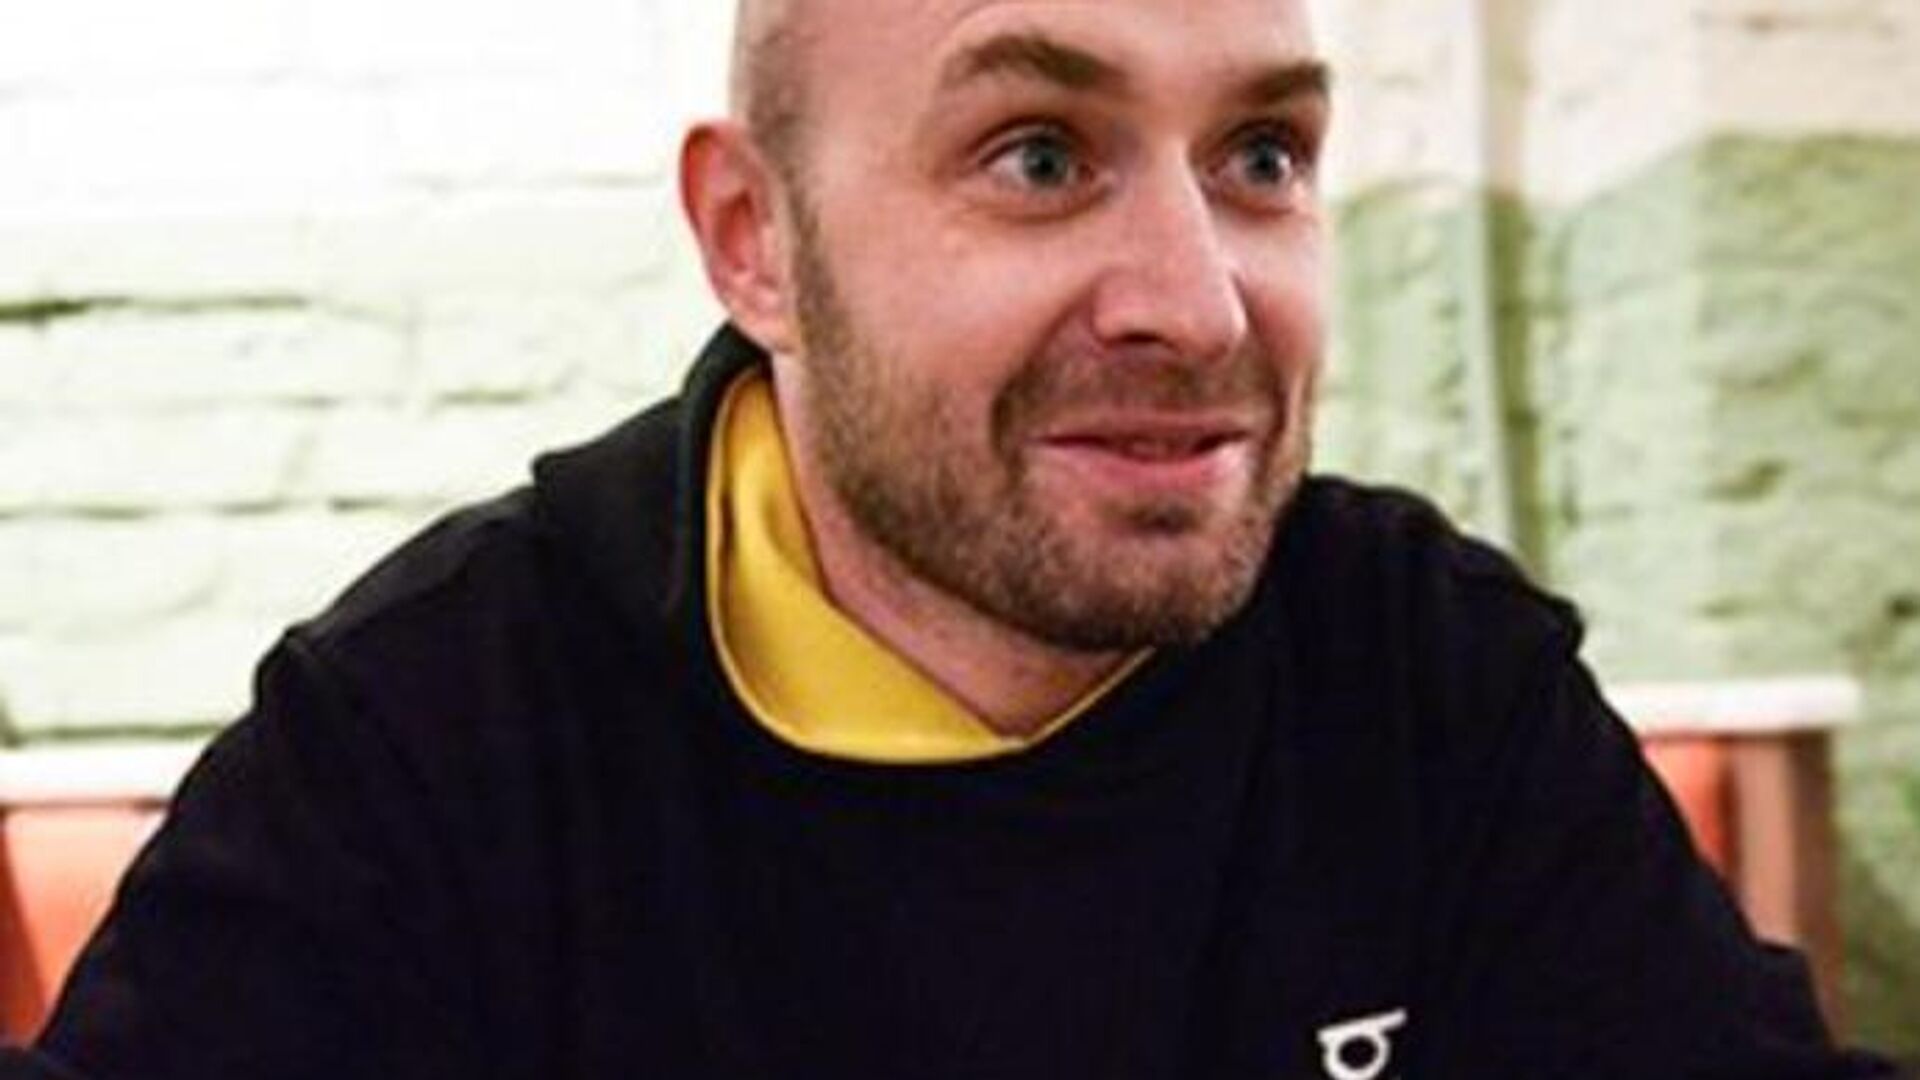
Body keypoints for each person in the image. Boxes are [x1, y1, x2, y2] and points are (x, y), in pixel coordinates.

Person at [0, 1, 1899, 1077]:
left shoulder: (1424, 673)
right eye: (1040, 158)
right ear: (755, 240)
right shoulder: (435, 737)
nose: (1199, 304)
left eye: (1262, 158)